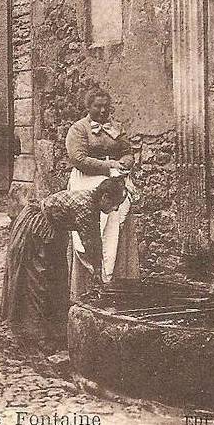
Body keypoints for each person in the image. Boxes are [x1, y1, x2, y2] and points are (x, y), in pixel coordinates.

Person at [0, 177, 127, 346]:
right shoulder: (86, 206)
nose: (116, 208)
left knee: (57, 279)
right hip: (36, 227)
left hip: (52, 230)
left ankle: (54, 330)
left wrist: (98, 269)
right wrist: (97, 271)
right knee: (37, 280)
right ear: (104, 197)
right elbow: (90, 242)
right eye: (114, 204)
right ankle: (34, 334)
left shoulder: (93, 202)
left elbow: (94, 237)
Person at [65, 88, 140, 298]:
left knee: (118, 215)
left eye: (106, 106)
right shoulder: (79, 129)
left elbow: (127, 151)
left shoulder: (115, 128)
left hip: (114, 179)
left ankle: (117, 281)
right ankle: (89, 283)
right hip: (87, 179)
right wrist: (108, 165)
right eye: (97, 106)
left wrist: (124, 163)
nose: (102, 110)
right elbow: (78, 159)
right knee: (92, 223)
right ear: (88, 107)